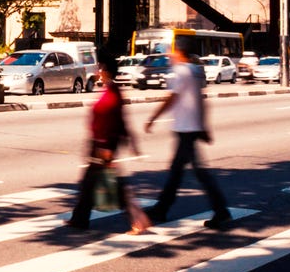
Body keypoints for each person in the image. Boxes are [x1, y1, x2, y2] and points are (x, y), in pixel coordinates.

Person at [144, 36, 232, 229]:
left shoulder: (180, 72)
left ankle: (221, 212)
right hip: (191, 128)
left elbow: (171, 98)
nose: (168, 54)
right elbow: (201, 100)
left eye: (171, 50)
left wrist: (152, 118)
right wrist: (203, 125)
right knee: (177, 172)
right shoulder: (193, 71)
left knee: (198, 173)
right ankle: (162, 208)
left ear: (179, 52)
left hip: (185, 129)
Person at [69, 50, 150, 234]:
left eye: (100, 68)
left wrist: (106, 147)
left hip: (104, 144)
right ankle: (79, 218)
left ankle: (137, 219)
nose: (98, 70)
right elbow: (122, 120)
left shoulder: (111, 93)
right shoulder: (111, 90)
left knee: (114, 184)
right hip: (99, 143)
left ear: (105, 71)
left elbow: (115, 121)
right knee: (89, 182)